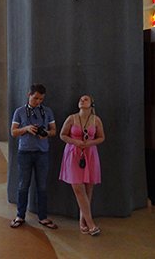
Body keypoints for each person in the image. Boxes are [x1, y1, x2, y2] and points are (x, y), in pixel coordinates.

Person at [10, 84, 58, 230]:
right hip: (24, 152)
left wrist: (46, 134)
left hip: (42, 153)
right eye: (35, 98)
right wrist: (26, 129)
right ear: (28, 95)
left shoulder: (47, 111)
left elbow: (54, 131)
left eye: (41, 99)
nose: (38, 101)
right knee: (23, 185)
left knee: (42, 186)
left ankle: (42, 217)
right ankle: (20, 215)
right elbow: (13, 132)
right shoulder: (19, 111)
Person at [59, 95, 105, 236]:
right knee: (78, 188)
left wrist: (90, 143)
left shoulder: (96, 120)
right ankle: (91, 224)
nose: (82, 100)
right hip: (73, 154)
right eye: (80, 99)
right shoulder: (71, 118)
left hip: (90, 154)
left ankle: (82, 220)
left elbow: (102, 137)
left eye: (85, 99)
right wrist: (75, 142)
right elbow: (62, 135)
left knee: (88, 188)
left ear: (91, 104)